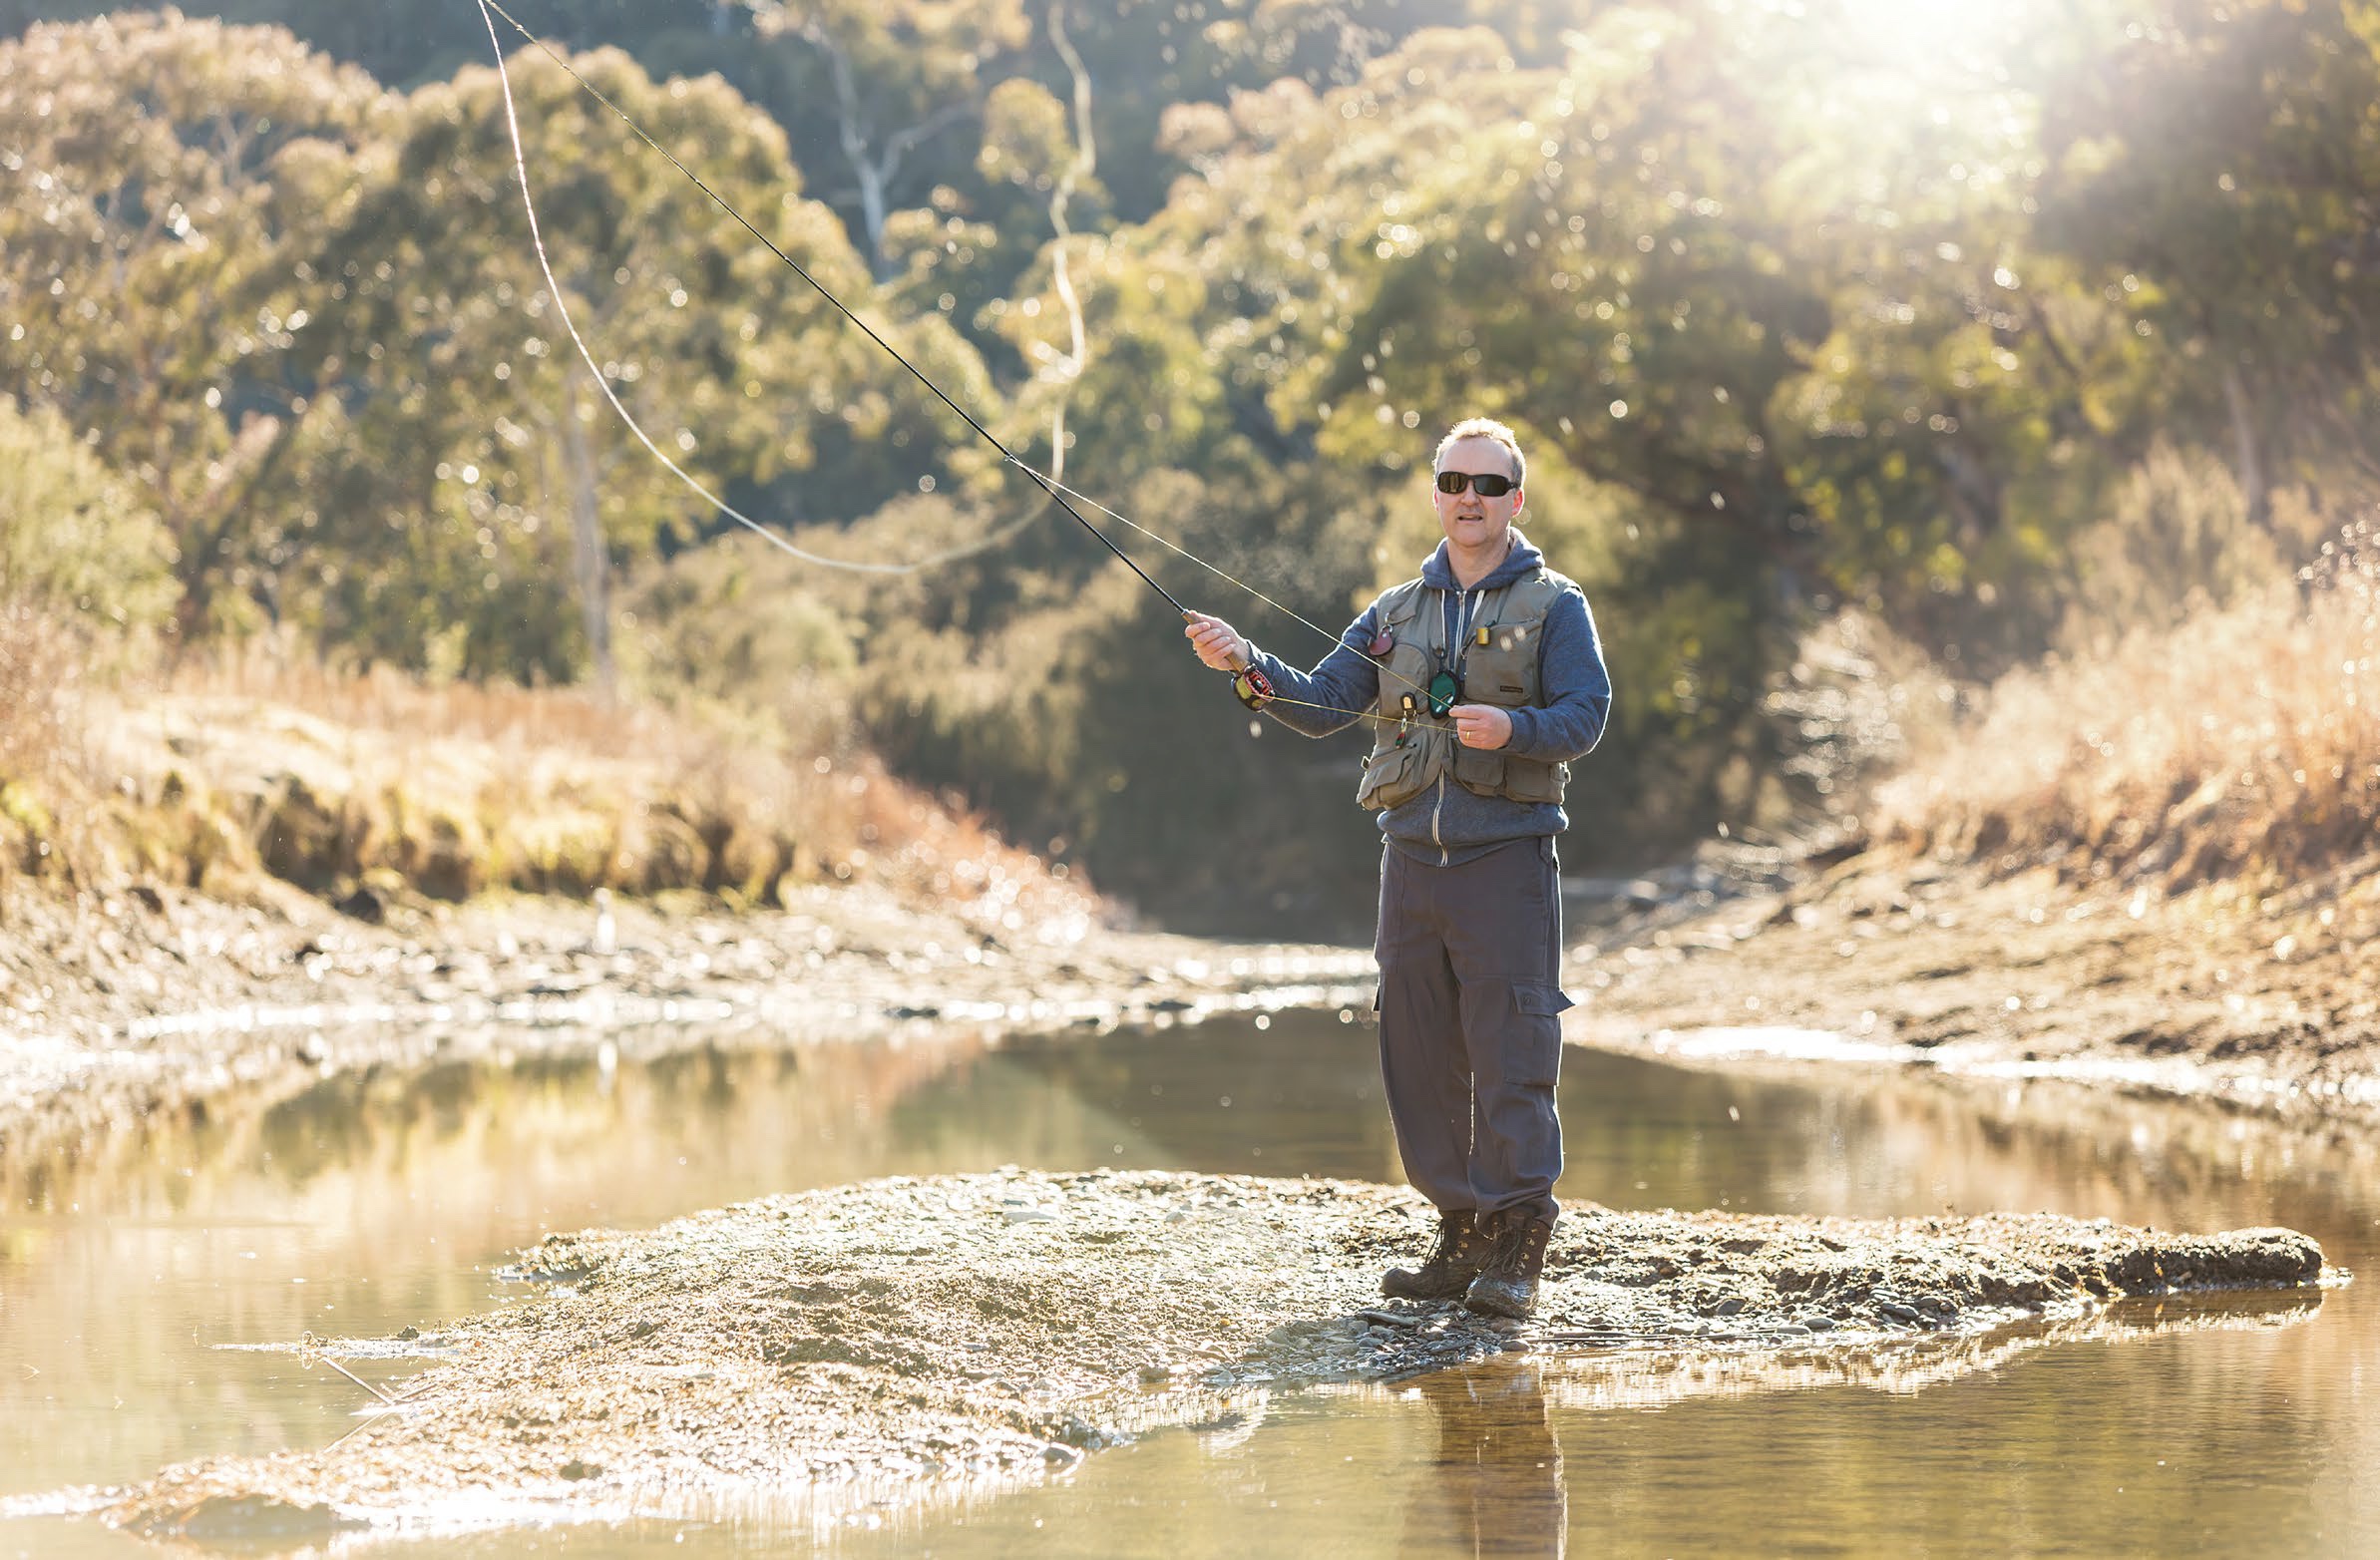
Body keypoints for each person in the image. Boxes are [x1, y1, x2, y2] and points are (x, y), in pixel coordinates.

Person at [1185, 416, 1611, 1320]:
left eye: (1488, 485)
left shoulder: (1557, 606)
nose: (1469, 498)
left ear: (1517, 501)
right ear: (1436, 495)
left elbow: (1587, 714)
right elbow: (1323, 703)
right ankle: (1458, 1235)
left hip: (1507, 862)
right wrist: (1246, 663)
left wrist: (1515, 728)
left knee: (1511, 1050)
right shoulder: (1393, 610)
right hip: (1410, 862)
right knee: (1416, 1055)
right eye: (1454, 482)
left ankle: (1517, 1242)